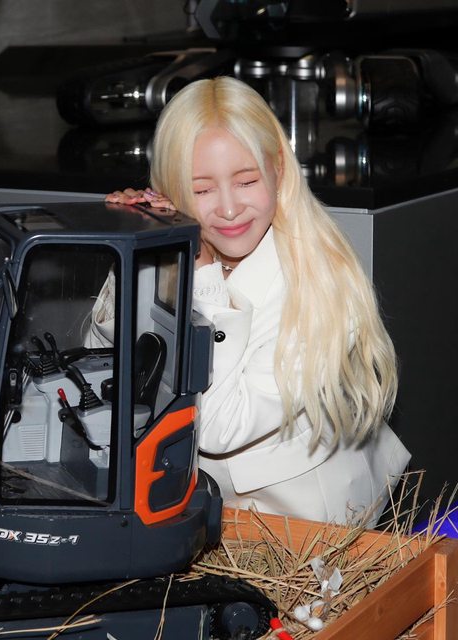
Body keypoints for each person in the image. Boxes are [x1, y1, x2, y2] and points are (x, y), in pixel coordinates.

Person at [101, 76, 410, 527]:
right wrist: (130, 253)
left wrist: (202, 277)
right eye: (201, 190)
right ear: (169, 190)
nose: (228, 209)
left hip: (304, 525)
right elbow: (109, 362)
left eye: (246, 181)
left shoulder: (317, 283)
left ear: (279, 170)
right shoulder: (181, 249)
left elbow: (219, 427)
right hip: (207, 510)